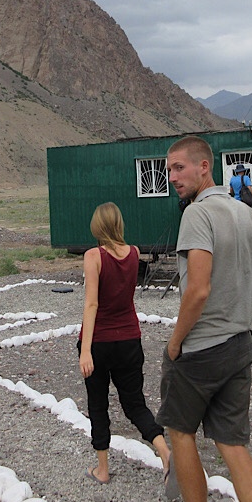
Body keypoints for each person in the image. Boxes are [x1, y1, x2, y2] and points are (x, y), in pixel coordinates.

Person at [157, 136, 252, 502]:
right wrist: (236, 302)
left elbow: (198, 290)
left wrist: (175, 342)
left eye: (179, 168)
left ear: (204, 167)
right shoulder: (246, 212)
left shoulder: (196, 214)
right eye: (169, 169)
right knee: (233, 447)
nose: (171, 176)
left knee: (180, 433)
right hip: (240, 344)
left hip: (200, 350)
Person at [78, 202, 171, 484]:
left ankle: (103, 470)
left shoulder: (93, 256)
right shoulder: (133, 253)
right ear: (118, 223)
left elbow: (92, 303)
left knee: (98, 405)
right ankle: (166, 454)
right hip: (130, 338)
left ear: (98, 226)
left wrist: (85, 350)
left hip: (100, 341)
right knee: (134, 404)